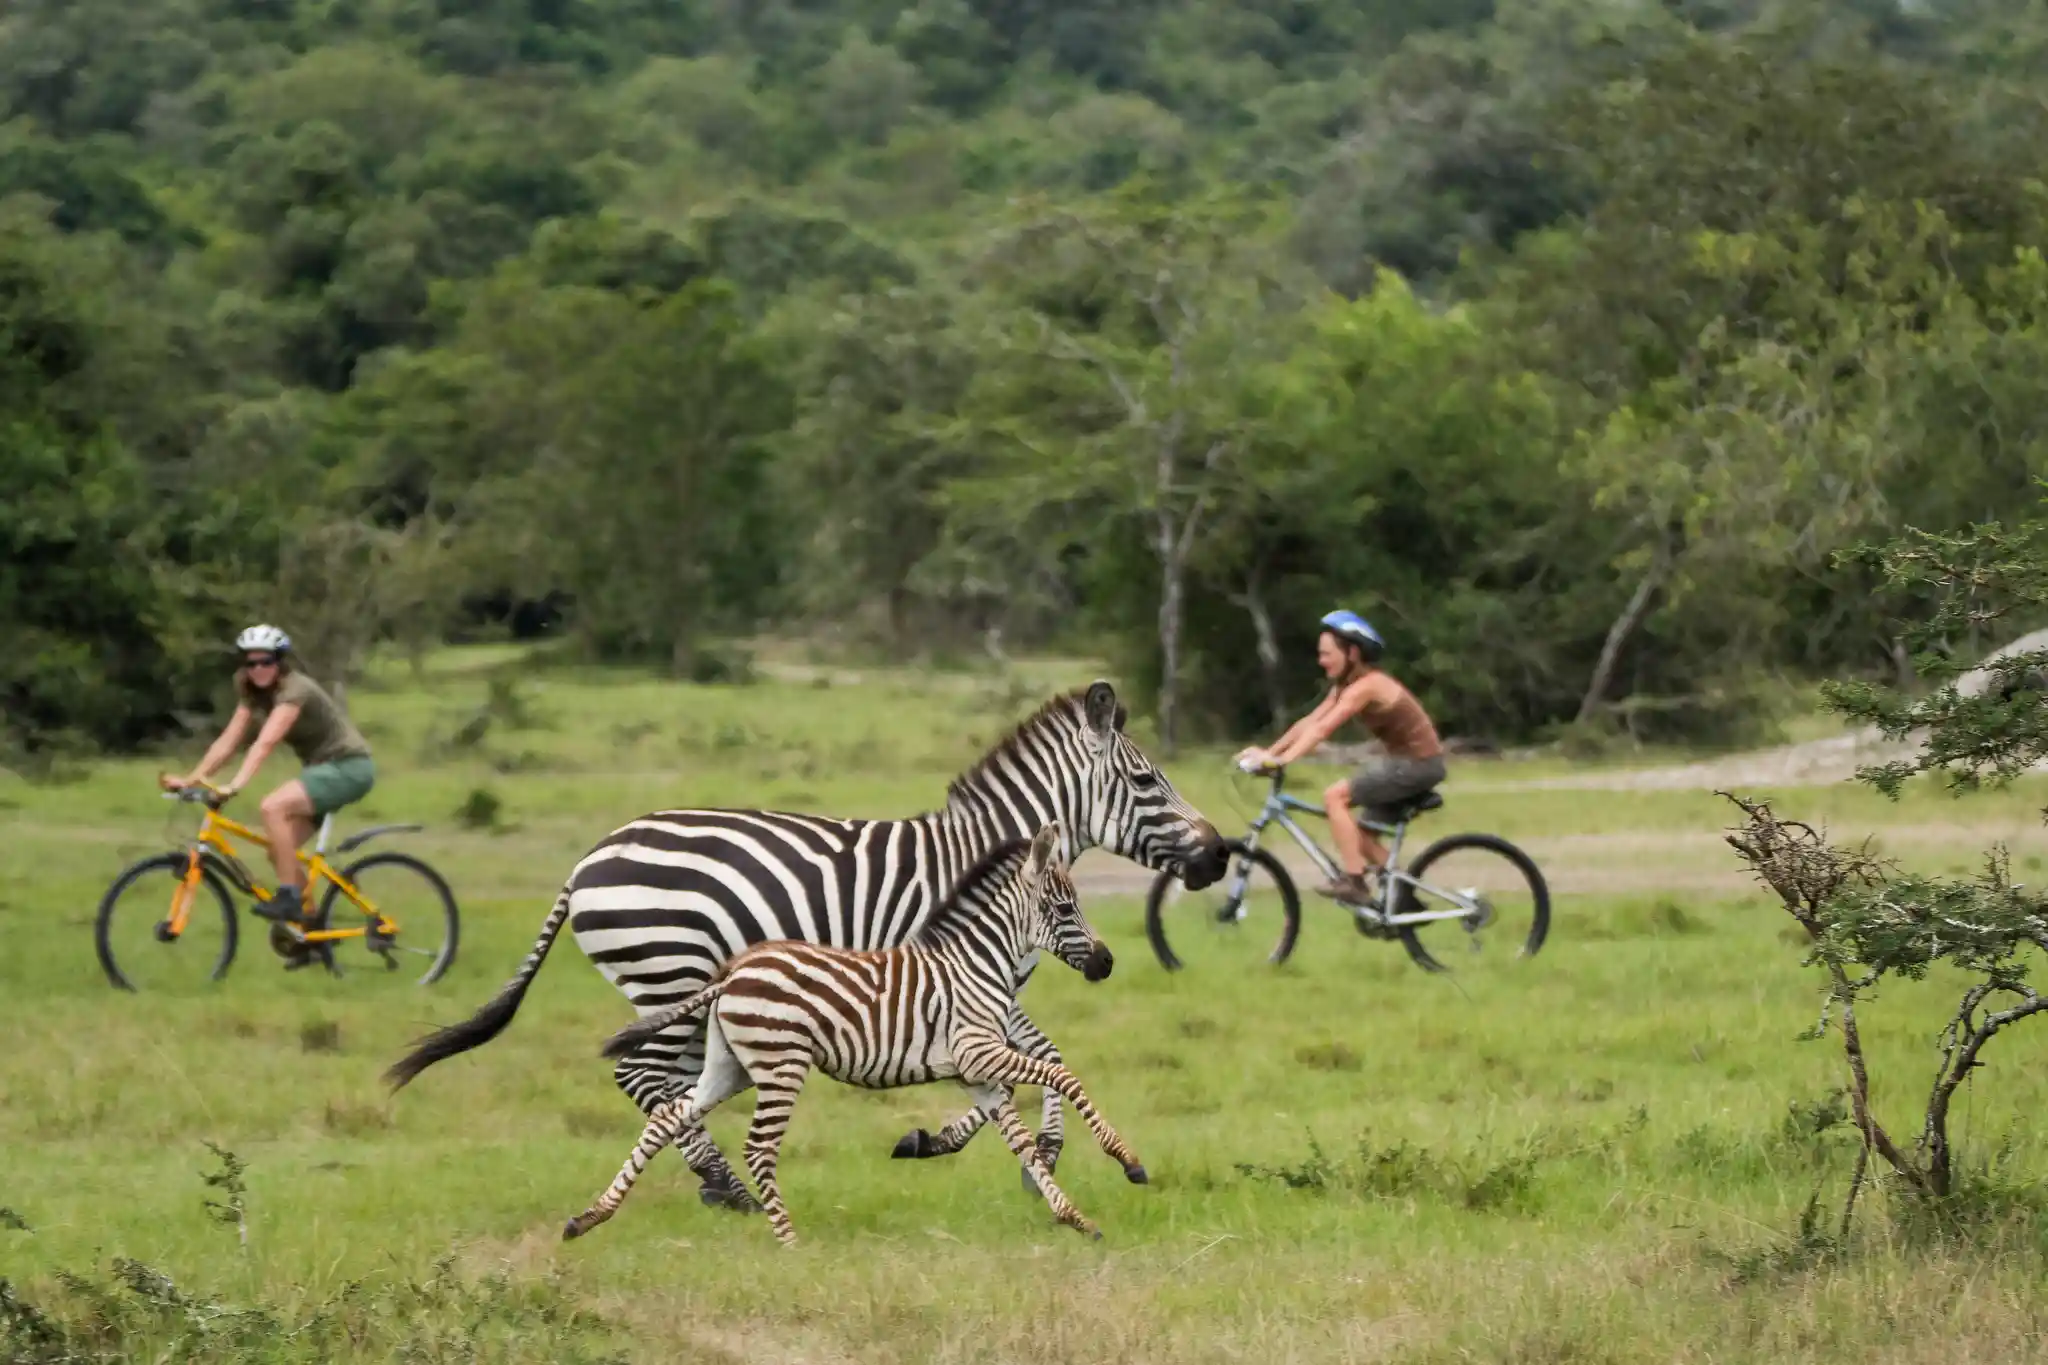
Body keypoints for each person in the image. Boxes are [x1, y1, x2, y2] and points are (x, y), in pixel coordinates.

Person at [160, 625, 376, 935]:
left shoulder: (295, 690)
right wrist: (191, 780)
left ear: (281, 662)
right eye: (251, 663)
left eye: (267, 661)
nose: (259, 669)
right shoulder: (254, 693)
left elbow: (265, 742)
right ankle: (310, 928)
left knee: (273, 807)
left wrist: (236, 785)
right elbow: (228, 741)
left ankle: (289, 898)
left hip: (349, 768)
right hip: (321, 772)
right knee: (279, 851)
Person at [1235, 609, 1445, 906]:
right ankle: (1404, 896)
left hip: (1418, 766)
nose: (1321, 661)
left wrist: (1283, 762)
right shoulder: (1346, 686)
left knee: (1335, 798)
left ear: (1353, 653)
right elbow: (1309, 721)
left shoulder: (1368, 687)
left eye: (1327, 654)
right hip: (1406, 764)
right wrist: (1270, 754)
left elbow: (1322, 730)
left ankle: (1355, 883)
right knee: (1361, 836)